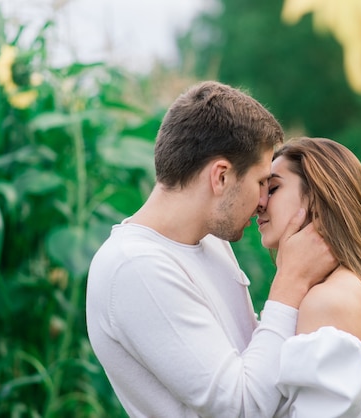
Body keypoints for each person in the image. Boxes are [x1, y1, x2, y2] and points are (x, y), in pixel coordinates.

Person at [85, 81, 337, 418]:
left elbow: (250, 357)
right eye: (261, 182)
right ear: (220, 177)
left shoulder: (210, 240)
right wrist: (290, 283)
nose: (263, 201)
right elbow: (242, 408)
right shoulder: (134, 268)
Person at [257, 137, 361, 418]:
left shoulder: (326, 302)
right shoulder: (356, 285)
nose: (260, 203)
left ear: (316, 196)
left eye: (273, 188)